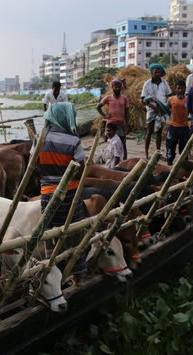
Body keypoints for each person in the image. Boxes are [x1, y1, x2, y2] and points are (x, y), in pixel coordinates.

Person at [37, 102, 87, 280]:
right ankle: (76, 276)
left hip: (47, 193)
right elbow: (81, 169)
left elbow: (33, 166)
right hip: (70, 194)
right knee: (74, 234)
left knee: (50, 234)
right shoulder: (73, 141)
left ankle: (53, 276)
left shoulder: (40, 138)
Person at [141, 63, 172, 159]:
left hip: (161, 110)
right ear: (151, 73)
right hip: (151, 110)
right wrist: (152, 106)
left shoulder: (164, 83)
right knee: (149, 131)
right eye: (155, 72)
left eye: (159, 72)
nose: (157, 74)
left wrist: (166, 106)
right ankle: (146, 154)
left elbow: (169, 95)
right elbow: (143, 99)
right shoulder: (147, 84)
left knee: (159, 132)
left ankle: (157, 153)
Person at [97, 79, 130, 160]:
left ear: (121, 88)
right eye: (115, 87)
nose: (117, 88)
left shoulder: (124, 98)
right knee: (111, 142)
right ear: (112, 87)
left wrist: (127, 124)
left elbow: (127, 112)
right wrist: (104, 115)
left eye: (119, 87)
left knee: (123, 143)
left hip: (121, 124)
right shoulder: (108, 98)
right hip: (111, 124)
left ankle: (124, 160)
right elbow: (98, 107)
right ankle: (111, 159)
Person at [165, 80, 190, 166]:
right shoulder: (171, 99)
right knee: (170, 147)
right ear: (175, 89)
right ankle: (169, 166)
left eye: (182, 88)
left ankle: (183, 168)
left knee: (184, 149)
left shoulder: (188, 99)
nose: (180, 90)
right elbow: (166, 110)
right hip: (173, 127)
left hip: (184, 127)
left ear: (185, 89)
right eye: (178, 88)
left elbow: (192, 110)